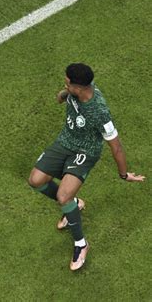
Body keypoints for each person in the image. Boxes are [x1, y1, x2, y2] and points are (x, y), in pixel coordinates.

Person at [28, 63, 145, 271]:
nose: (65, 80)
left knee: (62, 196)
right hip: (65, 141)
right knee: (35, 180)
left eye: (67, 81)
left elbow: (116, 147)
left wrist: (124, 174)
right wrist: (64, 94)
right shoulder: (78, 89)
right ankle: (74, 205)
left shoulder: (99, 111)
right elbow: (70, 93)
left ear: (79, 87)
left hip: (85, 151)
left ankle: (81, 244)